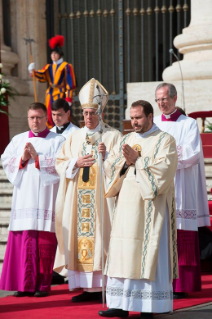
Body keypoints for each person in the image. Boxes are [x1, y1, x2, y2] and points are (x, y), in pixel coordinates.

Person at [99, 100, 178, 318]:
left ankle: (148, 306)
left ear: (150, 117)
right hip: (126, 207)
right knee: (123, 253)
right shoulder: (126, 139)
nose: (134, 122)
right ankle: (119, 304)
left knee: (147, 253)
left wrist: (138, 160)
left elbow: (164, 172)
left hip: (151, 208)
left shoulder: (165, 140)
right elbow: (114, 166)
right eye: (132, 118)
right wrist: (110, 159)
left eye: (138, 117)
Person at [53, 78, 122, 302]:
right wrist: (74, 162)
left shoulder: (113, 136)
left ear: (100, 112)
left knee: (102, 237)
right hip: (78, 201)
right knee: (79, 237)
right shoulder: (74, 137)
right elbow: (60, 163)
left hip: (101, 201)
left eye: (93, 113)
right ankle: (85, 288)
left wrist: (106, 158)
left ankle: (103, 286)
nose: (89, 117)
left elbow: (122, 167)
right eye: (85, 114)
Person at [0, 102, 65, 297]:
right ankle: (23, 285)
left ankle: (42, 286)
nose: (35, 121)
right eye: (31, 118)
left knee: (44, 242)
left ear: (46, 118)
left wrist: (38, 159)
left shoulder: (58, 140)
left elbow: (62, 165)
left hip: (46, 198)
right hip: (24, 199)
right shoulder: (18, 140)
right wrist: (22, 159)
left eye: (38, 117)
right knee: (24, 242)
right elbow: (5, 159)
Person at [154, 83, 211, 298]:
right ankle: (162, 282)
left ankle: (181, 285)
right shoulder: (154, 123)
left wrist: (165, 156)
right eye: (158, 100)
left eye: (165, 99)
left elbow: (191, 153)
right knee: (161, 236)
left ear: (174, 98)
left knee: (181, 233)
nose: (162, 103)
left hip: (181, 186)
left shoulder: (188, 124)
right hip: (160, 186)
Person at [28, 35, 76, 128]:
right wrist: (32, 71)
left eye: (55, 53)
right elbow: (42, 76)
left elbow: (70, 85)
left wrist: (69, 99)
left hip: (61, 93)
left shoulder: (66, 66)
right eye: (52, 54)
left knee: (60, 113)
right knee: (49, 114)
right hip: (50, 94)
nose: (53, 55)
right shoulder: (49, 67)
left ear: (59, 54)